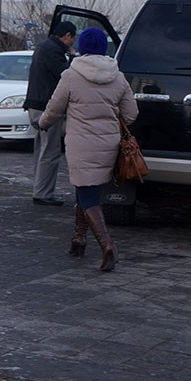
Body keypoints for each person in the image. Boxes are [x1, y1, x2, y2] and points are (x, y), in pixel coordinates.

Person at [38, 28, 138, 273]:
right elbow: (132, 114)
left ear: (81, 46)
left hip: (81, 144)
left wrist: (43, 123)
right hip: (108, 144)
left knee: (87, 192)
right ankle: (78, 240)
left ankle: (107, 245)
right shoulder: (118, 76)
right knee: (87, 188)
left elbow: (55, 107)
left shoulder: (71, 75)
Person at [23, 20, 77, 207]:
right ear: (67, 35)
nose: (72, 43)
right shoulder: (54, 51)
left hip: (35, 104)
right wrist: (73, 57)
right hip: (47, 107)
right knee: (50, 151)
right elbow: (66, 74)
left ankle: (39, 190)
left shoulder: (44, 47)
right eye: (72, 38)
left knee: (41, 149)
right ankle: (43, 193)